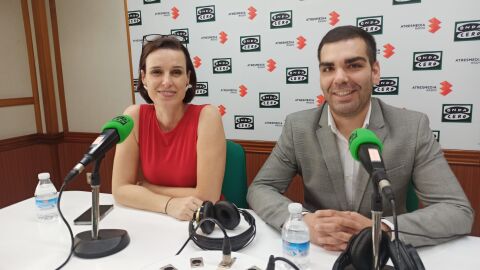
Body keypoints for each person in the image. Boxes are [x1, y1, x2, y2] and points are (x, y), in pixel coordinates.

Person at [247, 26, 473, 251]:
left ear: (375, 72)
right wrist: (303, 221)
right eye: (328, 69)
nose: (340, 78)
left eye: (353, 66)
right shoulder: (298, 127)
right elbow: (261, 188)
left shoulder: (412, 128)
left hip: (381, 254)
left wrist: (382, 228)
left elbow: (457, 210)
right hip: (319, 253)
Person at [112, 36, 226, 221]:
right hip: (156, 217)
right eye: (156, 72)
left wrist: (147, 188)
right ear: (144, 78)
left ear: (187, 78)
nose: (166, 81)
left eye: (176, 72)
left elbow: (207, 197)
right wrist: (168, 205)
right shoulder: (133, 117)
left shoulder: (207, 117)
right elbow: (120, 190)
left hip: (201, 219)